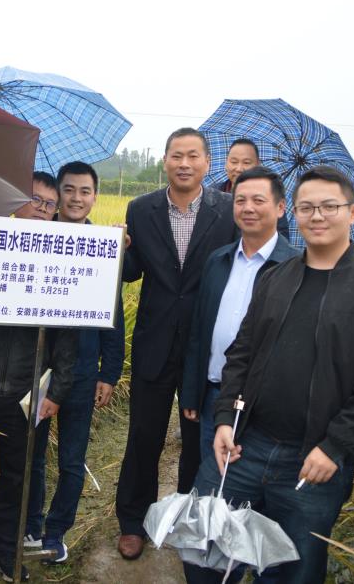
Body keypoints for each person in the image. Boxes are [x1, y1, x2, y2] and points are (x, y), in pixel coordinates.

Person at [211, 165, 354, 583]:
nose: (317, 216)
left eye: (328, 207)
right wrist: (226, 417)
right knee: (218, 555)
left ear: (353, 213)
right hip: (249, 447)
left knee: (295, 569)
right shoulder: (276, 277)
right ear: (294, 213)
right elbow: (242, 353)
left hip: (314, 461)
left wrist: (334, 446)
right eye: (307, 208)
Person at [115, 128, 238, 560]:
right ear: (164, 160)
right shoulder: (141, 208)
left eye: (192, 156)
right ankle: (133, 521)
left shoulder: (227, 211)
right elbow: (133, 271)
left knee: (197, 439)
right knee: (143, 436)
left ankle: (188, 518)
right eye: (176, 156)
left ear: (207, 163)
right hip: (154, 340)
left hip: (204, 345)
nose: (184, 164)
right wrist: (119, 249)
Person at [178, 166, 298, 583]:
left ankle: (246, 566)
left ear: (280, 208)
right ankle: (214, 570)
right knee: (212, 499)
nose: (248, 208)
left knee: (254, 501)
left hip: (263, 411)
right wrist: (192, 391)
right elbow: (200, 330)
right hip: (215, 397)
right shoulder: (219, 259)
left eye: (258, 200)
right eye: (240, 200)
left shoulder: (294, 267)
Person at [0, 171, 79, 582]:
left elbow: (68, 336)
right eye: (35, 200)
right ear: (16, 203)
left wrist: (57, 390)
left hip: (28, 390)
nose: (42, 210)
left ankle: (4, 545)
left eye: (49, 204)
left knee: (17, 474)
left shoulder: (63, 259)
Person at [26, 161, 125, 565]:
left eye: (85, 191)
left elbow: (114, 315)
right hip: (37, 368)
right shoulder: (33, 237)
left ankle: (55, 532)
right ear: (58, 194)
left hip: (83, 370)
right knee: (32, 455)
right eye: (69, 190)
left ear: (95, 197)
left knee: (71, 458)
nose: (76, 198)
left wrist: (110, 371)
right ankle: (30, 526)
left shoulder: (104, 247)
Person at [218, 138, 289, 239]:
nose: (239, 169)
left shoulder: (271, 196)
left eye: (246, 163)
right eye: (234, 162)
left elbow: (282, 238)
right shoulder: (213, 194)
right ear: (226, 163)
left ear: (257, 165)